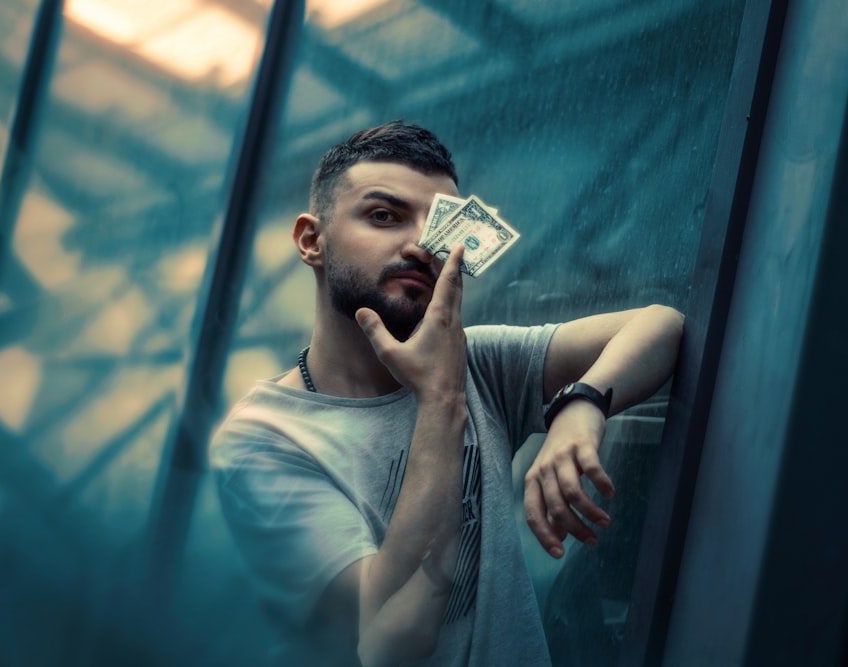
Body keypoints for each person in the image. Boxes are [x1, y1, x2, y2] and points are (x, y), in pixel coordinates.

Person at [210, 121, 684, 666]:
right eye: (383, 216)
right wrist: (441, 400)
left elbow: (661, 325)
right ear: (311, 240)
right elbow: (395, 634)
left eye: (440, 224)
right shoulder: (263, 439)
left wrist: (582, 406)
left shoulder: (475, 360)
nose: (420, 245)